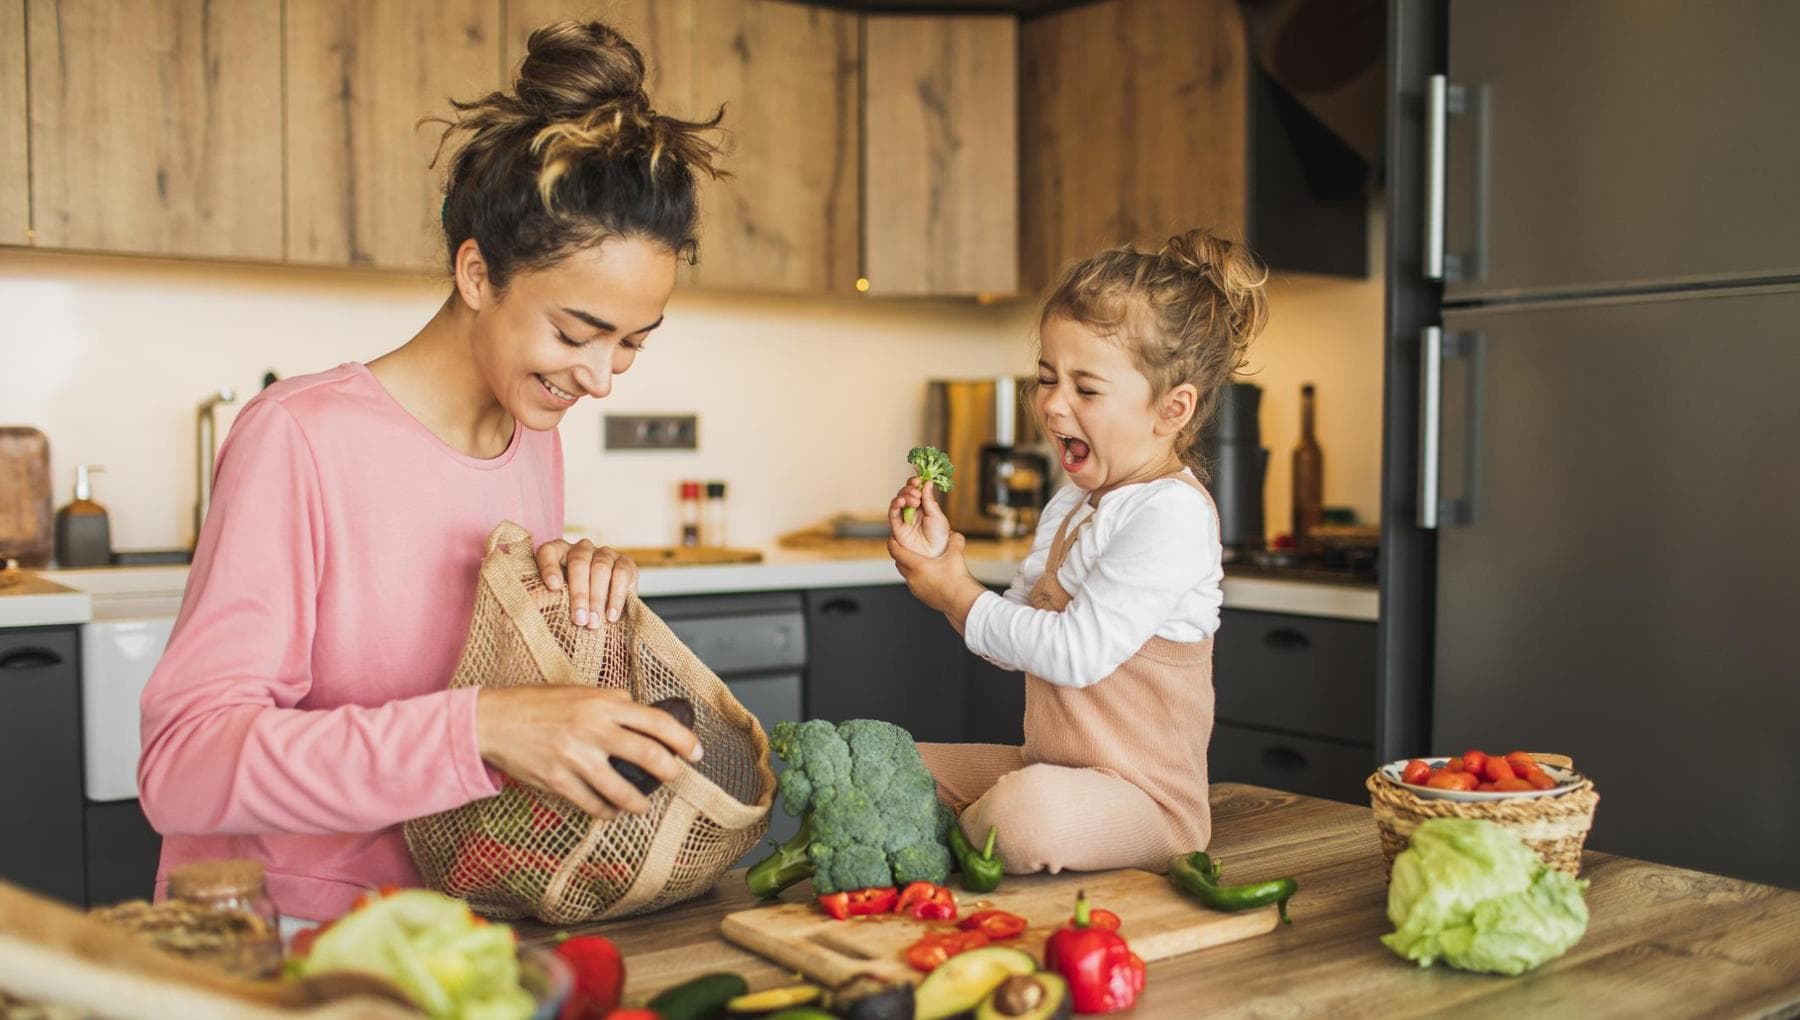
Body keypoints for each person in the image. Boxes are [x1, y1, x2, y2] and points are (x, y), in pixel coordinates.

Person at [137, 20, 725, 922]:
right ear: (478, 274)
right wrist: (483, 725)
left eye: (632, 343)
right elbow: (183, 766)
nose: (602, 377)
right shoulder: (299, 436)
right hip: (291, 934)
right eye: (575, 333)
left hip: (459, 920)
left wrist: (568, 611)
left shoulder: (532, 436)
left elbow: (482, 694)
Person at [887, 230, 1270, 874]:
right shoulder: (1071, 504)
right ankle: (963, 840)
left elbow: (1076, 654)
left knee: (1024, 815)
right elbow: (1014, 641)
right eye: (1046, 378)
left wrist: (958, 595)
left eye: (1086, 389)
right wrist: (947, 574)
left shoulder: (1170, 513)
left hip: (1145, 803)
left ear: (1172, 409)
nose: (1052, 403)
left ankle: (948, 850)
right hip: (1054, 770)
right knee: (891, 764)